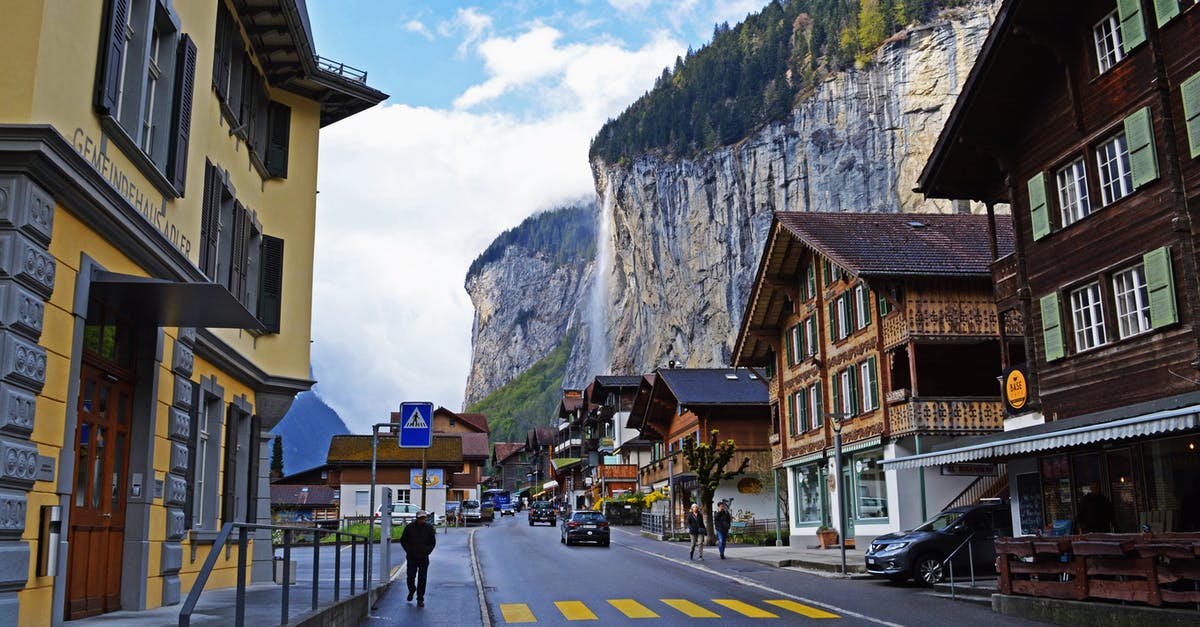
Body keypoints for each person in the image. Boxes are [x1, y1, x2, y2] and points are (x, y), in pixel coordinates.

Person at [399, 510, 437, 607]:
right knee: (410, 577)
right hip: (412, 557)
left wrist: (427, 551)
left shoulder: (429, 528)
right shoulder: (410, 527)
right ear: (417, 518)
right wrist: (409, 550)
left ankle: (420, 598)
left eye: (423, 518)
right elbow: (403, 540)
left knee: (422, 578)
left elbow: (432, 542)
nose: (422, 520)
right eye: (420, 518)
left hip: (423, 558)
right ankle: (412, 590)